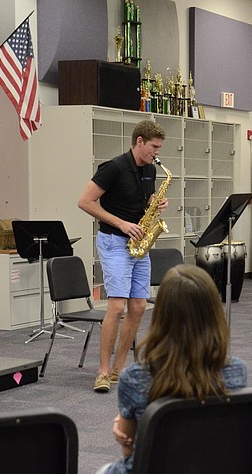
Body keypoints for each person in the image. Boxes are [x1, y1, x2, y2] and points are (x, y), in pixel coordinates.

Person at [78, 265, 247, 474]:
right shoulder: (236, 370)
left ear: (163, 315)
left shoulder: (137, 377)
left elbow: (131, 456)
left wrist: (123, 434)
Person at [78, 120, 168, 393]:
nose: (156, 152)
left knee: (139, 307)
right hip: (115, 241)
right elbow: (85, 202)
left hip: (139, 243)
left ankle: (119, 368)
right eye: (154, 147)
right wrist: (121, 224)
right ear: (139, 141)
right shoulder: (114, 167)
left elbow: (142, 199)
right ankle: (103, 371)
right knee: (116, 306)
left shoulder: (151, 170)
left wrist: (155, 203)